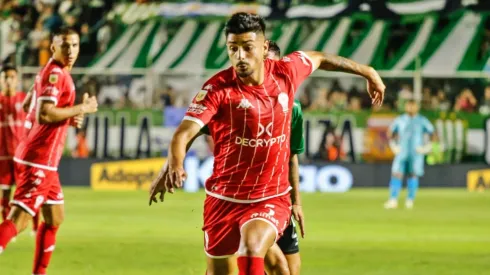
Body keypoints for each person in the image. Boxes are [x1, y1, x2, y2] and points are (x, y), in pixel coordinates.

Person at [149, 12, 385, 275]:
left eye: (247, 48)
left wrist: (367, 71)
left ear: (263, 47)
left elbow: (320, 58)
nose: (240, 56)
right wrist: (175, 164)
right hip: (223, 200)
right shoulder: (217, 90)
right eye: (233, 49)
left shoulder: (286, 73)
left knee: (251, 249)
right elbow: (183, 133)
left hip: (270, 198)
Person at [0, 27, 98, 275]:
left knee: (55, 218)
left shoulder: (48, 73)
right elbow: (44, 114)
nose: (71, 51)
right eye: (64, 45)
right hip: (39, 158)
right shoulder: (55, 74)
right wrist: (80, 109)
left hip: (45, 161)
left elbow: (27, 105)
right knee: (18, 220)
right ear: (52, 48)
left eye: (74, 45)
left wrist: (70, 116)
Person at [0, 64, 40, 236]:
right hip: (2, 157)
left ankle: (35, 228)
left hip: (22, 157)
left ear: (17, 80)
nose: (8, 80)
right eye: (5, 77)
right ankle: (9, 230)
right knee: (5, 194)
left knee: (29, 194)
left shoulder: (24, 100)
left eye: (12, 77)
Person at [385, 99, 434, 209]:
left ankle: (410, 200)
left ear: (417, 107)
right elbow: (390, 133)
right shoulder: (400, 120)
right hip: (402, 152)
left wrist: (427, 147)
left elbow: (433, 133)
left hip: (416, 153)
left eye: (413, 106)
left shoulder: (422, 120)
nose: (410, 108)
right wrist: (393, 146)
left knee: (413, 175)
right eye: (409, 106)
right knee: (397, 174)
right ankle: (393, 200)